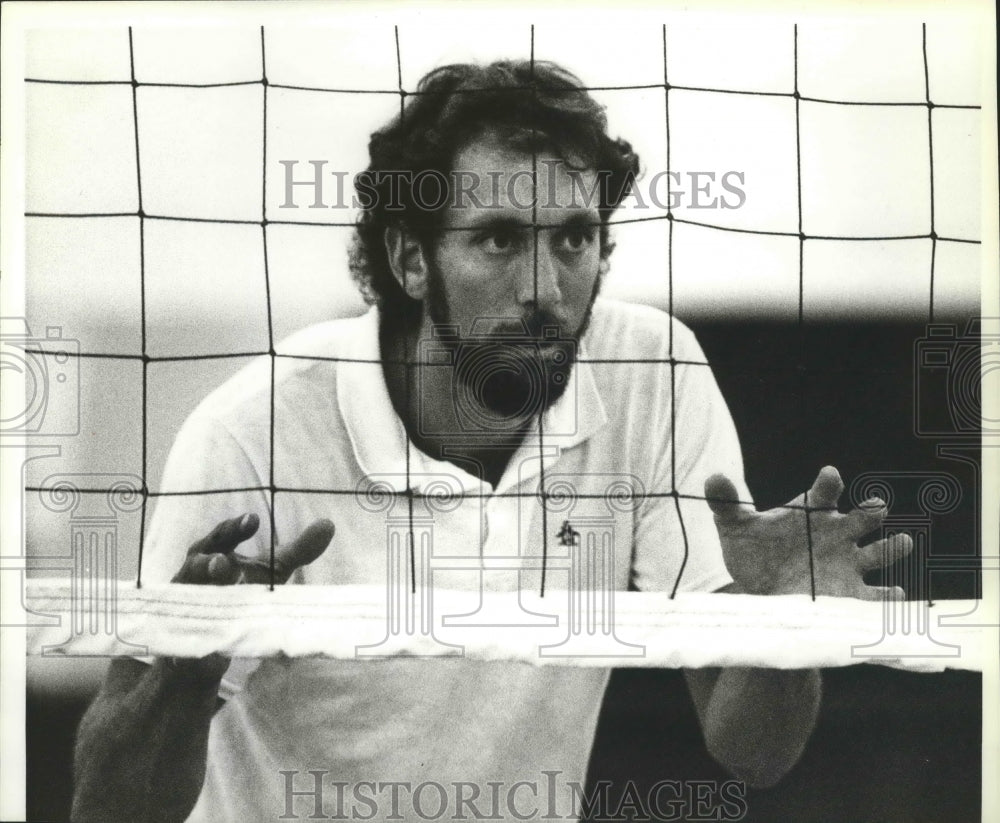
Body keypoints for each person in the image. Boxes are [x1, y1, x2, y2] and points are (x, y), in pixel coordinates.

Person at [71, 60, 911, 823]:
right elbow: (108, 807)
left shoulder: (651, 373)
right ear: (408, 258)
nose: (544, 290)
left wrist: (785, 632)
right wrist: (184, 671)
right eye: (500, 238)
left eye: (574, 238)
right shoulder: (250, 432)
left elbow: (751, 751)